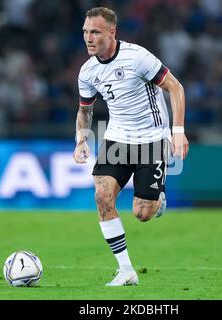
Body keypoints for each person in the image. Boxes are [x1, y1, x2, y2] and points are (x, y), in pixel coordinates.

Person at [73, 7, 189, 286]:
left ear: (112, 32)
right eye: (86, 32)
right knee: (102, 197)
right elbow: (84, 110)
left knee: (142, 214)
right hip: (117, 139)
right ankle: (126, 270)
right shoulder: (87, 71)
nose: (89, 38)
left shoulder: (138, 58)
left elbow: (175, 88)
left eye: (95, 32)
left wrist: (178, 132)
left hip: (151, 139)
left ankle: (157, 199)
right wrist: (80, 139)